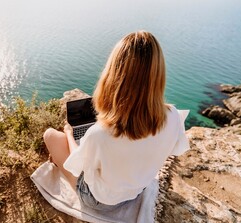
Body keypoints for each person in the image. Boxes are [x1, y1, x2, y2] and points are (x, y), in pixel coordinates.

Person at [43, 30, 190, 211]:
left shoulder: (101, 134)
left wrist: (69, 135)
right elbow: (170, 149)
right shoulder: (174, 116)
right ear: (157, 75)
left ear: (114, 75)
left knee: (50, 135)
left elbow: (77, 164)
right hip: (136, 191)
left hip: (99, 201)